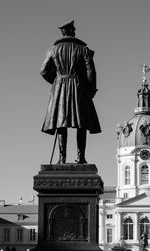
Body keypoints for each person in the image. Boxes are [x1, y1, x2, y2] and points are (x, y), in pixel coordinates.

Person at [40, 20, 101, 164]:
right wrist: (91, 89)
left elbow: (43, 71)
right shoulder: (83, 49)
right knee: (82, 124)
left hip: (60, 87)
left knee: (61, 123)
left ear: (63, 32)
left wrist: (56, 81)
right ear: (72, 31)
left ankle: (62, 158)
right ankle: (81, 157)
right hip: (79, 87)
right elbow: (90, 71)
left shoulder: (53, 49)